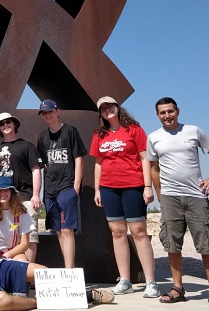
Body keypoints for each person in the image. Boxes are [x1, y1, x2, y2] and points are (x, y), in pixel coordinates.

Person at [147, 97, 209, 307]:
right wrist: (160, 193)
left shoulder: (193, 131)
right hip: (170, 197)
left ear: (177, 111)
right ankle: (178, 288)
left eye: (170, 111)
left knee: (206, 244)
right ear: (157, 115)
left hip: (196, 195)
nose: (167, 116)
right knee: (172, 243)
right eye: (162, 113)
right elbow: (153, 168)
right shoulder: (154, 137)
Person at [89, 96, 159, 298]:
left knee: (138, 232)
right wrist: (97, 189)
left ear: (117, 107)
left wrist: (148, 187)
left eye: (110, 106)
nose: (107, 110)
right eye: (103, 109)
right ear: (100, 114)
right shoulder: (99, 134)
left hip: (133, 186)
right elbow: (99, 163)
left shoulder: (134, 129)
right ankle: (125, 280)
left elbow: (145, 158)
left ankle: (151, 282)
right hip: (109, 188)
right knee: (117, 233)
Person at [36, 99, 85, 269]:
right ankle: (66, 269)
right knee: (57, 230)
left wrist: (76, 185)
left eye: (50, 111)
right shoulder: (42, 137)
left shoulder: (70, 131)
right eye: (44, 113)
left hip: (67, 186)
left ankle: (69, 271)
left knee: (67, 230)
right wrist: (43, 191)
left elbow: (78, 158)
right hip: (50, 190)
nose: (48, 115)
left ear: (57, 111)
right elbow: (44, 166)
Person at [0, 112, 43, 262]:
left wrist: (36, 195)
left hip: (25, 198)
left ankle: (28, 275)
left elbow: (36, 170)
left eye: (8, 122)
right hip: (2, 201)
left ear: (14, 124)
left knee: (30, 237)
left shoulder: (27, 146)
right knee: (8, 238)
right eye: (2, 124)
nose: (5, 125)